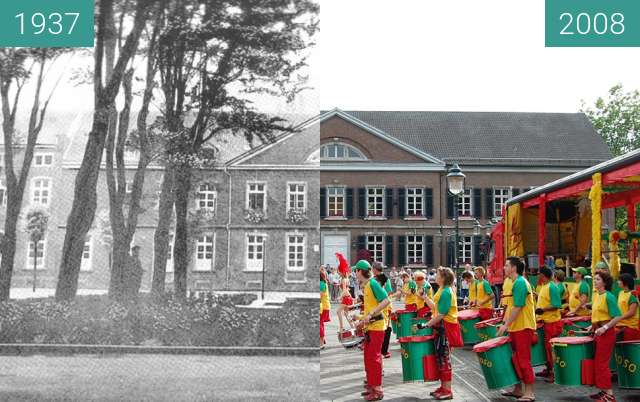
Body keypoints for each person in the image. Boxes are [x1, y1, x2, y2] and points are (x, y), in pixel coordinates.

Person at [416, 267, 463, 400]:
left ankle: (448, 390)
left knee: (444, 358)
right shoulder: (442, 290)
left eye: (437, 274)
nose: (435, 276)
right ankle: (443, 387)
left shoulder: (446, 292)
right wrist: (425, 298)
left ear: (443, 278)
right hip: (441, 328)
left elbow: (441, 314)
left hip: (445, 328)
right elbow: (436, 308)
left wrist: (426, 324)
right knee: (440, 358)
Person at [497, 256, 536, 402]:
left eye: (506, 265)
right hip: (516, 326)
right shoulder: (515, 282)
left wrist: (505, 325)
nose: (504, 268)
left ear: (513, 268)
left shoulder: (520, 283)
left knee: (524, 360)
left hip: (523, 327)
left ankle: (529, 393)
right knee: (515, 359)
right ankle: (519, 389)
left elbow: (518, 307)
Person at [353, 260, 390, 401]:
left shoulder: (373, 283)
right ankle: (372, 385)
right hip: (371, 327)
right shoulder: (367, 285)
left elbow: (386, 300)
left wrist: (369, 314)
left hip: (377, 327)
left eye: (355, 270)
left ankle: (378, 390)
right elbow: (370, 310)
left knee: (374, 358)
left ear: (359, 271)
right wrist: (361, 318)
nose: (354, 273)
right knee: (368, 357)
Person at [590, 270, 622, 402]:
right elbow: (598, 315)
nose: (595, 281)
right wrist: (593, 326)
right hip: (599, 332)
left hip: (606, 333)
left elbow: (617, 316)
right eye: (595, 279)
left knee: (602, 364)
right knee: (598, 363)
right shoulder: (597, 295)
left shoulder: (609, 296)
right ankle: (603, 391)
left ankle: (609, 394)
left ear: (604, 282)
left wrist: (604, 327)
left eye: (597, 279)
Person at [534, 266, 563, 383]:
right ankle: (549, 368)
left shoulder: (552, 287)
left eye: (539, 274)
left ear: (542, 275)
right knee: (546, 348)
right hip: (545, 322)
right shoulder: (544, 287)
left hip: (552, 323)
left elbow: (556, 304)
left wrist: (543, 310)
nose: (538, 276)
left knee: (551, 349)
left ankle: (554, 373)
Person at [372, 262, 394, 359]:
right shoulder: (386, 278)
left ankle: (383, 350)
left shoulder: (377, 280)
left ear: (375, 270)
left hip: (383, 307)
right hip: (384, 306)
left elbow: (388, 293)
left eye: (373, 269)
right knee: (384, 328)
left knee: (384, 329)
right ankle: (383, 350)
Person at [616, 273, 640, 341]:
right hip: (620, 324)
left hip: (630, 327)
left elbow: (631, 312)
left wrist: (619, 318)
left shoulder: (633, 294)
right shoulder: (620, 293)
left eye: (619, 280)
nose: (618, 282)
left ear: (625, 282)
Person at [320, 267, 331, 350]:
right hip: (325, 306)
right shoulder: (324, 283)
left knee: (320, 325)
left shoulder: (321, 284)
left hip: (322, 307)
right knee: (321, 324)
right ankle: (322, 340)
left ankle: (321, 342)